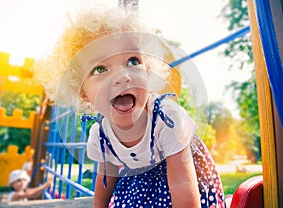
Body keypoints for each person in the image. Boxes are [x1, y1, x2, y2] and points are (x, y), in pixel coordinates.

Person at [35, 5, 225, 208]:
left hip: (184, 179)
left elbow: (182, 184)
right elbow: (105, 180)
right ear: (83, 92)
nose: (122, 77)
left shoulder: (167, 119)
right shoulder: (100, 134)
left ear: (149, 71)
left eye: (133, 61)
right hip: (138, 181)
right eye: (100, 68)